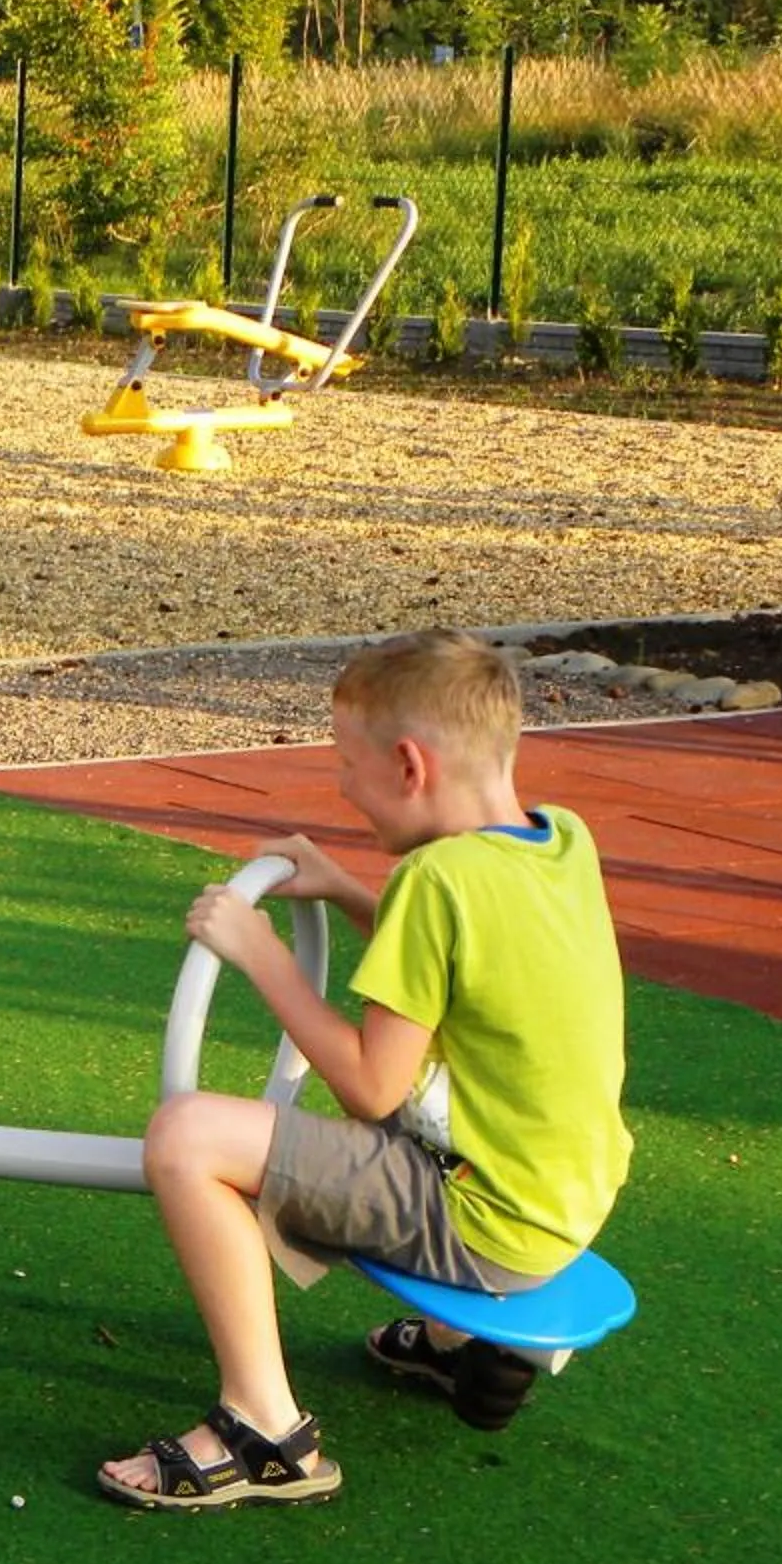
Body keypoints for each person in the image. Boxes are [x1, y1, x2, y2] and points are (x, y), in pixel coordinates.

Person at [96, 628, 631, 1512]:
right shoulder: (559, 843)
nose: (342, 785)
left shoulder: (438, 880)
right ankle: (455, 1341)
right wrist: (346, 888)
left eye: (349, 763)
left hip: (481, 1221)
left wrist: (259, 953)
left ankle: (262, 1430)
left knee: (186, 1139)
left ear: (411, 765)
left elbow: (372, 1086)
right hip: (559, 1202)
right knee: (422, 1104)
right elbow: (466, 960)